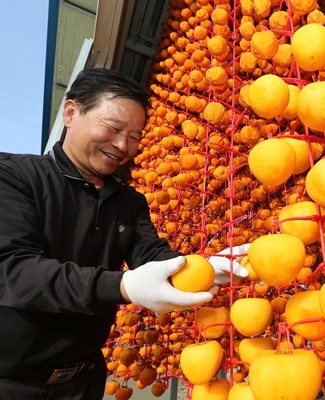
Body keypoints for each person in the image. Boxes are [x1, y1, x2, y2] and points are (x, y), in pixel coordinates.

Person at [0, 68, 248, 399]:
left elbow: (150, 254)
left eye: (134, 136)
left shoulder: (128, 201)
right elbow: (11, 270)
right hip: (11, 383)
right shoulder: (14, 176)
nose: (122, 145)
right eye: (115, 128)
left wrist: (195, 268)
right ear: (71, 112)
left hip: (83, 382)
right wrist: (121, 285)